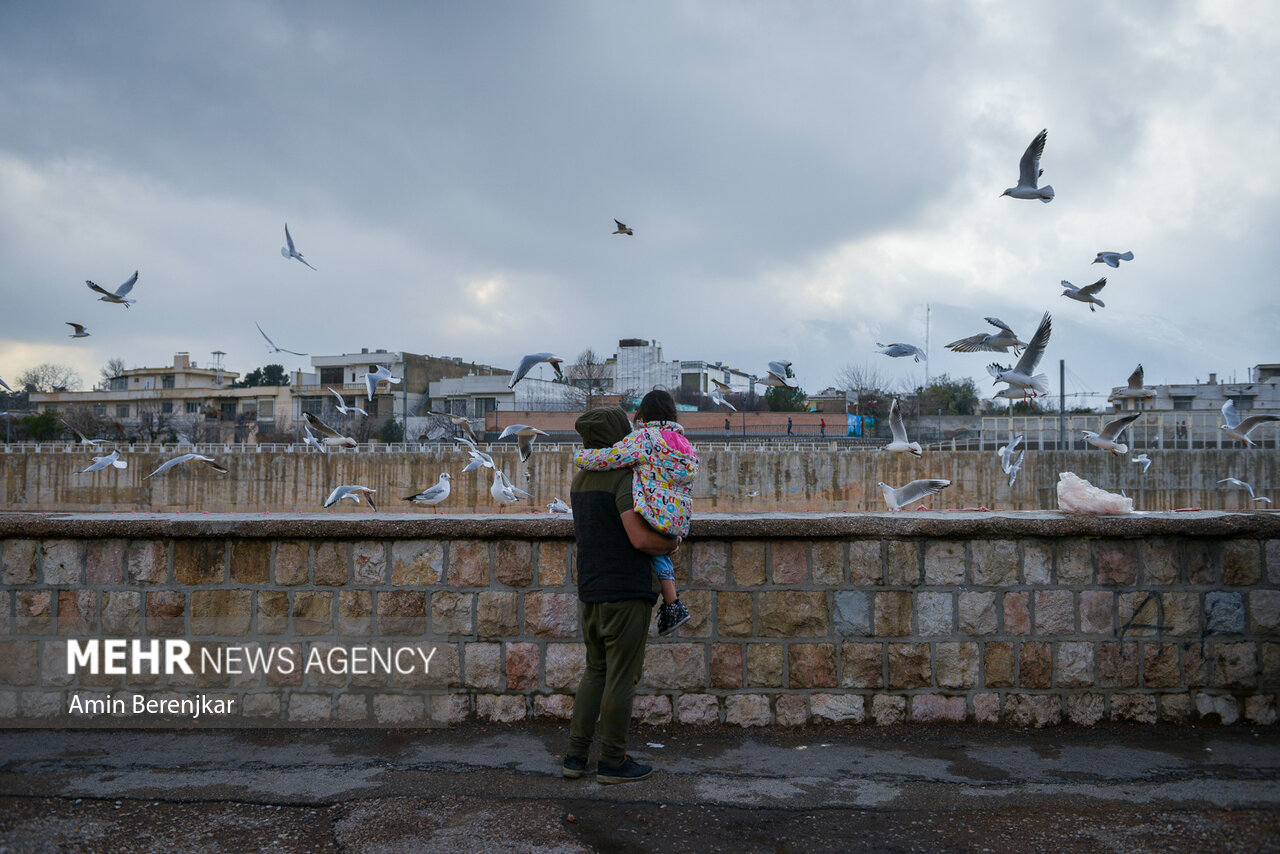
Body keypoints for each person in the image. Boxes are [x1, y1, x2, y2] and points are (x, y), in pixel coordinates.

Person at [562, 406, 680, 785]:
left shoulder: (580, 480)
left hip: (592, 590)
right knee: (621, 679)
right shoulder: (624, 478)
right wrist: (670, 542)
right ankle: (612, 761)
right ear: (617, 435)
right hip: (625, 591)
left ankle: (576, 757)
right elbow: (639, 538)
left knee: (595, 672)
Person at [573, 389, 698, 636]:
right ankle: (673, 603)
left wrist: (581, 457)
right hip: (677, 515)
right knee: (662, 554)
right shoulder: (684, 443)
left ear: (644, 415)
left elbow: (610, 457)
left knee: (655, 549)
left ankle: (674, 605)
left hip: (653, 508)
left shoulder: (644, 439)